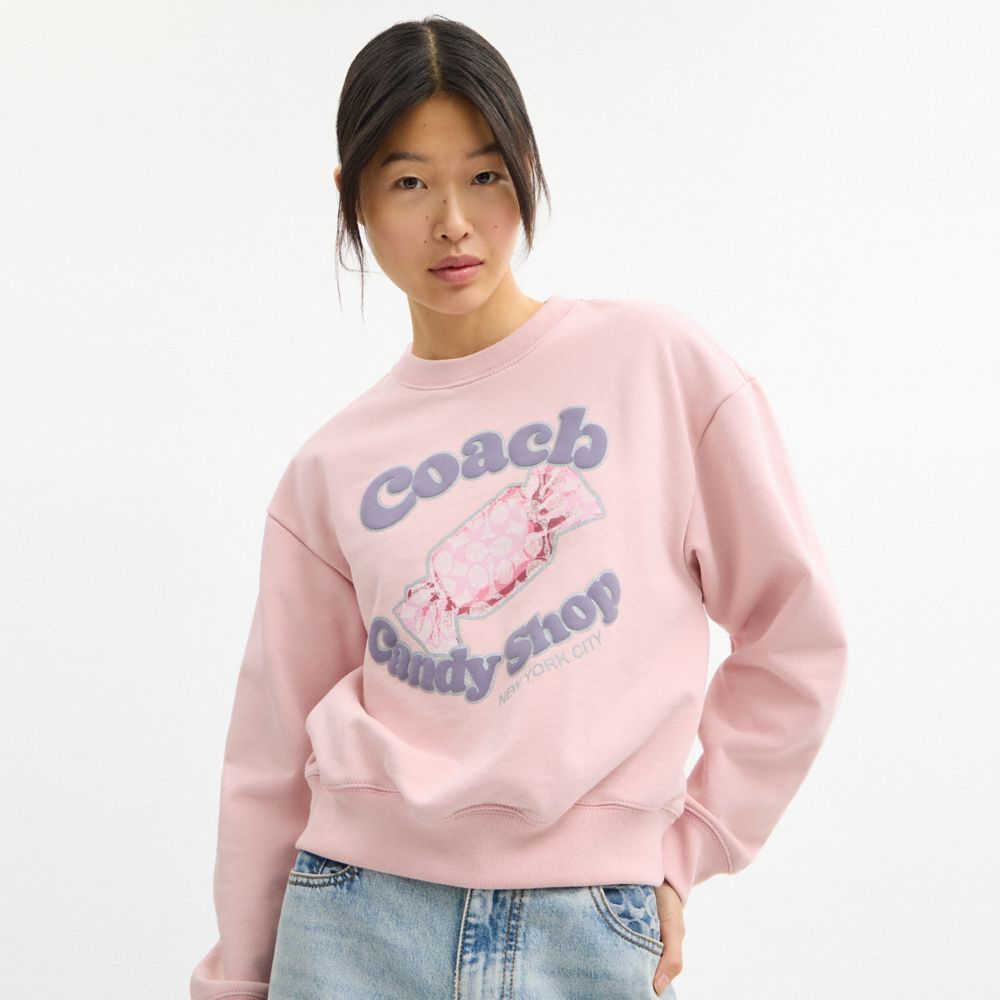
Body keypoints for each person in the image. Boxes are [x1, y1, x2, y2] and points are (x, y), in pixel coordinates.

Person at [189, 15, 848, 1000]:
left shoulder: (656, 369)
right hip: (356, 920)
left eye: (486, 175)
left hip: (589, 923)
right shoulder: (330, 469)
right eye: (409, 183)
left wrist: (693, 840)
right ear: (353, 196)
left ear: (528, 172)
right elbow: (270, 754)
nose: (453, 220)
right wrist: (240, 981)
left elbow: (796, 632)